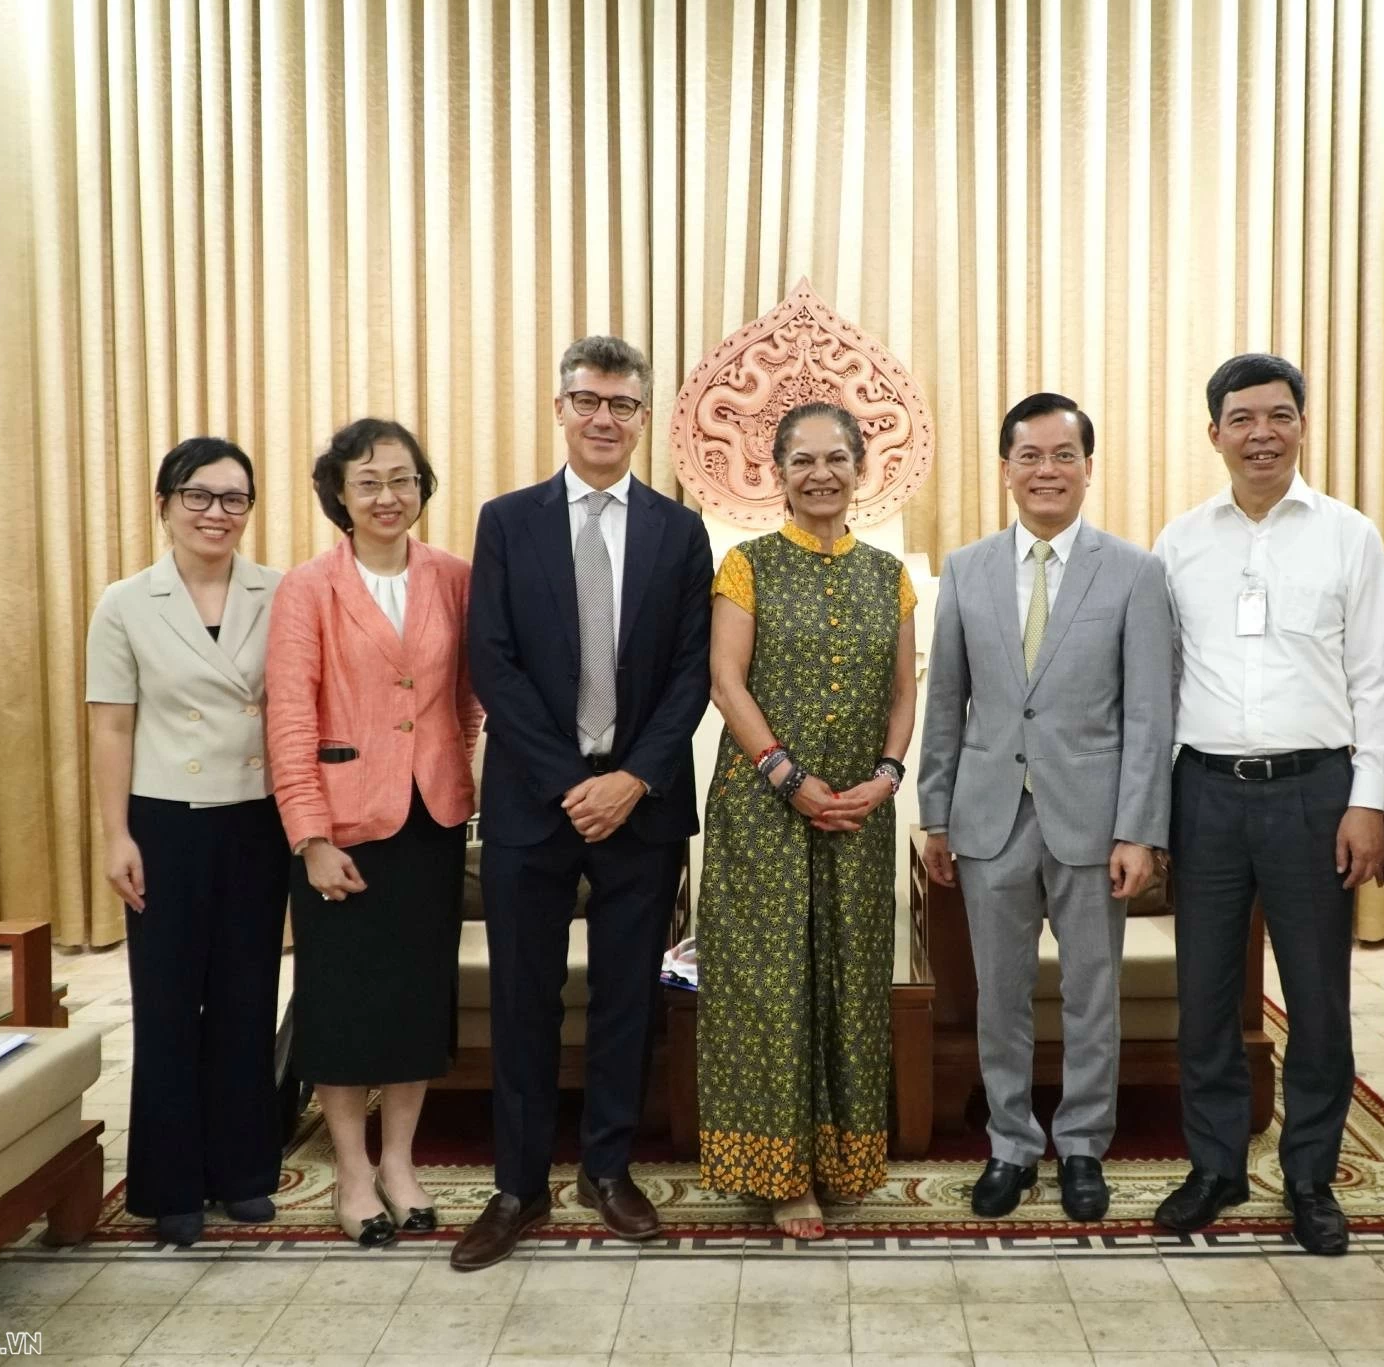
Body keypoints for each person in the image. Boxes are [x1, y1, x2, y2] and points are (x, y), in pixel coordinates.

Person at [454, 336, 713, 1270]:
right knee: (524, 998)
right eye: (588, 399)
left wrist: (631, 778)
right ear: (560, 407)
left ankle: (609, 1169)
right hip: (534, 805)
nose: (604, 418)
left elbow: (692, 674)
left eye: (623, 404)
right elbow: (494, 661)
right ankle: (517, 1186)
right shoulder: (507, 521)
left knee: (625, 1001)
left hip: (640, 806)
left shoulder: (679, 532)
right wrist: (572, 782)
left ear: (645, 418)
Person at [1151, 353, 1384, 1256]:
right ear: (1213, 431)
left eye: (1280, 415)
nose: (1262, 432)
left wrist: (1367, 799)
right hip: (1206, 792)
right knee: (1206, 996)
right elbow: (1159, 683)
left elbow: (1378, 678)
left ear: (1304, 425)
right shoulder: (1180, 541)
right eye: (1243, 417)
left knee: (1320, 998)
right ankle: (1216, 1165)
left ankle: (1309, 1175)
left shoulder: (1349, 535)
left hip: (1315, 793)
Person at [917, 393, 1174, 1223]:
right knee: (1001, 991)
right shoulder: (967, 568)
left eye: (1064, 455)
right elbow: (947, 699)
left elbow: (1149, 712)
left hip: (1094, 822)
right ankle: (1011, 1143)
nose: (1047, 471)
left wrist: (1140, 827)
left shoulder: (1134, 571)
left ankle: (1086, 1145)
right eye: (1030, 456)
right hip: (989, 816)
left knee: (1093, 989)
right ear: (1005, 470)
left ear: (1088, 468)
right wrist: (935, 813)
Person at [696, 402, 918, 1239]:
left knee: (851, 981)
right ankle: (780, 1174)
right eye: (802, 460)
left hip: (859, 812)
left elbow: (904, 689)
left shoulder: (887, 575)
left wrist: (887, 776)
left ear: (861, 468)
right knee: (769, 985)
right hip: (763, 810)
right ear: (776, 472)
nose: (820, 473)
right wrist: (786, 775)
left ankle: (845, 1159)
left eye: (836, 458)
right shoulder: (746, 565)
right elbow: (727, 681)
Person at [265, 418, 483, 1247]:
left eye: (403, 479)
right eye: (369, 482)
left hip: (429, 818)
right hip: (341, 828)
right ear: (340, 495)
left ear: (422, 486)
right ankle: (352, 1171)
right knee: (343, 1003)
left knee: (416, 1001)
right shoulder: (308, 588)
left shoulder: (453, 576)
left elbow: (466, 696)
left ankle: (400, 1161)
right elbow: (288, 718)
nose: (389, 496)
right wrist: (310, 834)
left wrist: (457, 768)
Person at [85, 437, 289, 1247]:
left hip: (256, 814)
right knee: (168, 1003)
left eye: (234, 498)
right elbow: (110, 724)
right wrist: (115, 835)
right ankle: (170, 1181)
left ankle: (243, 1172)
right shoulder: (127, 601)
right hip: (165, 818)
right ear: (165, 504)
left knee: (246, 998)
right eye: (199, 496)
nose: (217, 513)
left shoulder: (280, 591)